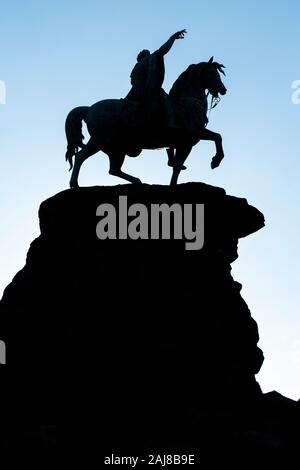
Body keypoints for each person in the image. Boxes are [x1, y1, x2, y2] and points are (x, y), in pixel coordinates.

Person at [125, 30, 186, 128]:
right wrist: (172, 38)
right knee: (168, 103)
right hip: (149, 90)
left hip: (135, 93)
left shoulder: (136, 67)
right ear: (146, 56)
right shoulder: (149, 59)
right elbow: (162, 50)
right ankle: (170, 122)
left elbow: (132, 81)